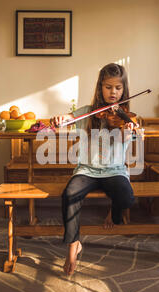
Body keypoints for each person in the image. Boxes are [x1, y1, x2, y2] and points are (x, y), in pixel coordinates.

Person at [50, 63, 139, 276]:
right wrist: (61, 119)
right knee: (70, 194)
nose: (113, 93)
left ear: (123, 89)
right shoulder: (88, 113)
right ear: (100, 87)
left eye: (118, 88)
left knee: (126, 199)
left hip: (114, 170)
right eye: (108, 87)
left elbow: (133, 136)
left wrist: (130, 131)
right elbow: (68, 119)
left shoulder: (127, 117)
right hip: (87, 170)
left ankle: (113, 214)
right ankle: (73, 245)